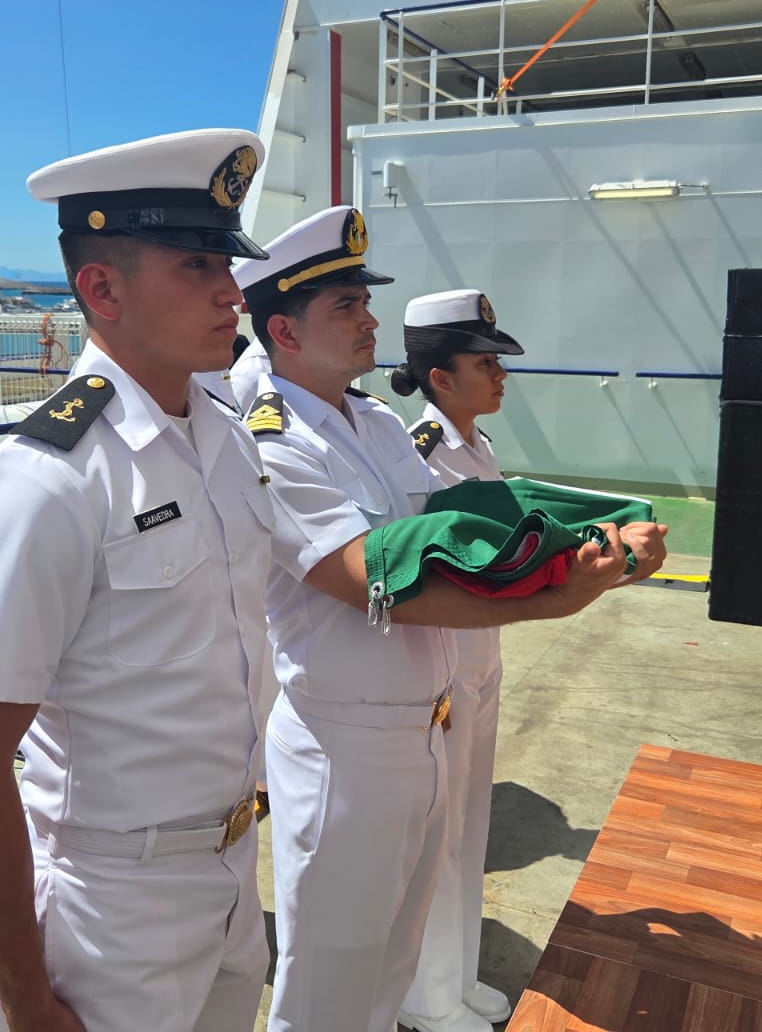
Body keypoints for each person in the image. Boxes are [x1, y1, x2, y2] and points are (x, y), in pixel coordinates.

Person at [233, 206, 669, 1032]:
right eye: (347, 307)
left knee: (391, 969)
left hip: (424, 726)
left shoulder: (372, 424)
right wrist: (559, 599)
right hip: (345, 747)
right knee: (330, 985)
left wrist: (591, 542)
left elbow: (462, 541)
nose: (370, 321)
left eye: (366, 302)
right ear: (283, 332)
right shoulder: (273, 444)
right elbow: (374, 581)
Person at [0, 129, 276, 1032]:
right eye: (197, 265)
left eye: (225, 263)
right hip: (113, 906)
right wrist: (25, 998)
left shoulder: (226, 441)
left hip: (234, 874)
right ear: (102, 289)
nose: (232, 291)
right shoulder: (48, 480)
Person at [392, 289, 525, 1031]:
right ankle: (428, 999)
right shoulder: (421, 453)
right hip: (442, 662)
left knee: (472, 821)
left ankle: (461, 976)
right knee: (437, 833)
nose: (501, 375)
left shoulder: (477, 447)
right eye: (485, 363)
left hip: (482, 656)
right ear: (440, 377)